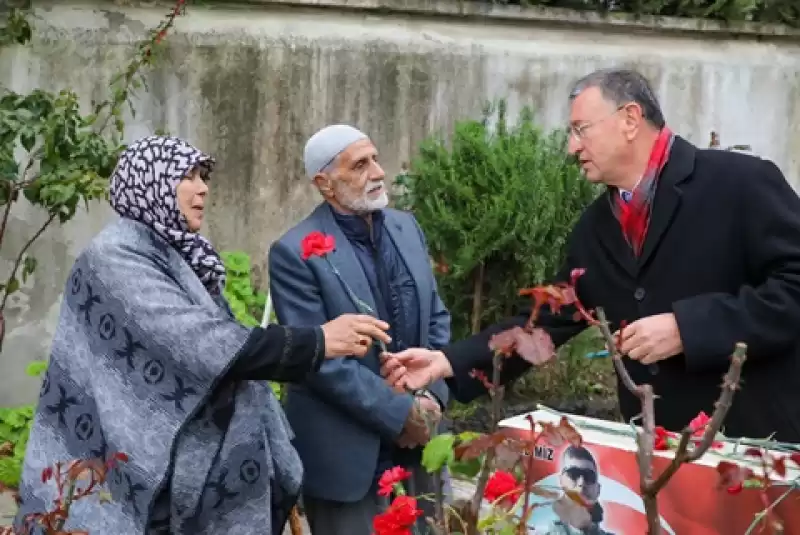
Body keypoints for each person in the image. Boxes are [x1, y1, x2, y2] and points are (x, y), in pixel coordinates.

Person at [382, 68, 800, 443]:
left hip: (759, 449)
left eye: (581, 130)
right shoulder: (597, 226)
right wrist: (447, 362)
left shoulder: (741, 183)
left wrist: (687, 329)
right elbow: (544, 325)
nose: (570, 147)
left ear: (630, 120)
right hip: (659, 460)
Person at [14, 135, 391, 535]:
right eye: (188, 176)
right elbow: (197, 342)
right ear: (152, 181)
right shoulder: (117, 256)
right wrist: (316, 342)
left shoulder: (178, 252)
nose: (203, 187)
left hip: (181, 476)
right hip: (131, 465)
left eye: (203, 175)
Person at [268, 124, 451, 535]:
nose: (379, 172)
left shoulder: (407, 228)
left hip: (420, 444)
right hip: (347, 457)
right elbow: (316, 360)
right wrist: (400, 414)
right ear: (325, 183)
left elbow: (437, 320)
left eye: (376, 159)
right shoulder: (294, 252)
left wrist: (431, 399)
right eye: (360, 164)